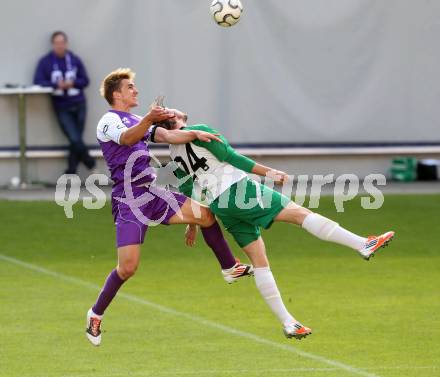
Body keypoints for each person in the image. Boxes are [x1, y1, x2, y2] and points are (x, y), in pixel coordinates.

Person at [154, 108, 395, 340]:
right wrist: (269, 172)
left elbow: (187, 189)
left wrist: (193, 224)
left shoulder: (174, 156)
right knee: (300, 214)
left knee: (260, 263)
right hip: (239, 190)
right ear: (173, 118)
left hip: (221, 206)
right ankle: (363, 244)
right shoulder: (199, 130)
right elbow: (232, 157)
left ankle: (288, 322)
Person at [86, 68, 253, 346]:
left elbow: (166, 136)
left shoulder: (139, 119)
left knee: (205, 214)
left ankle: (229, 266)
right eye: (130, 87)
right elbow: (127, 138)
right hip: (129, 198)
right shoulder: (109, 120)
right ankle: (95, 313)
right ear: (117, 94)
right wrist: (150, 119)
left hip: (153, 190)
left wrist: (196, 134)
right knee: (127, 268)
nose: (136, 91)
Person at [34, 31, 96, 174]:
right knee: (75, 138)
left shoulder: (74, 59)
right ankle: (91, 164)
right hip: (61, 105)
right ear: (52, 44)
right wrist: (56, 85)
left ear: (66, 44)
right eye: (57, 43)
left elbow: (85, 80)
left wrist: (72, 83)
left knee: (76, 140)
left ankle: (71, 172)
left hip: (79, 103)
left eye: (62, 43)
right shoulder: (46, 62)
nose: (60, 46)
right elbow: (38, 81)